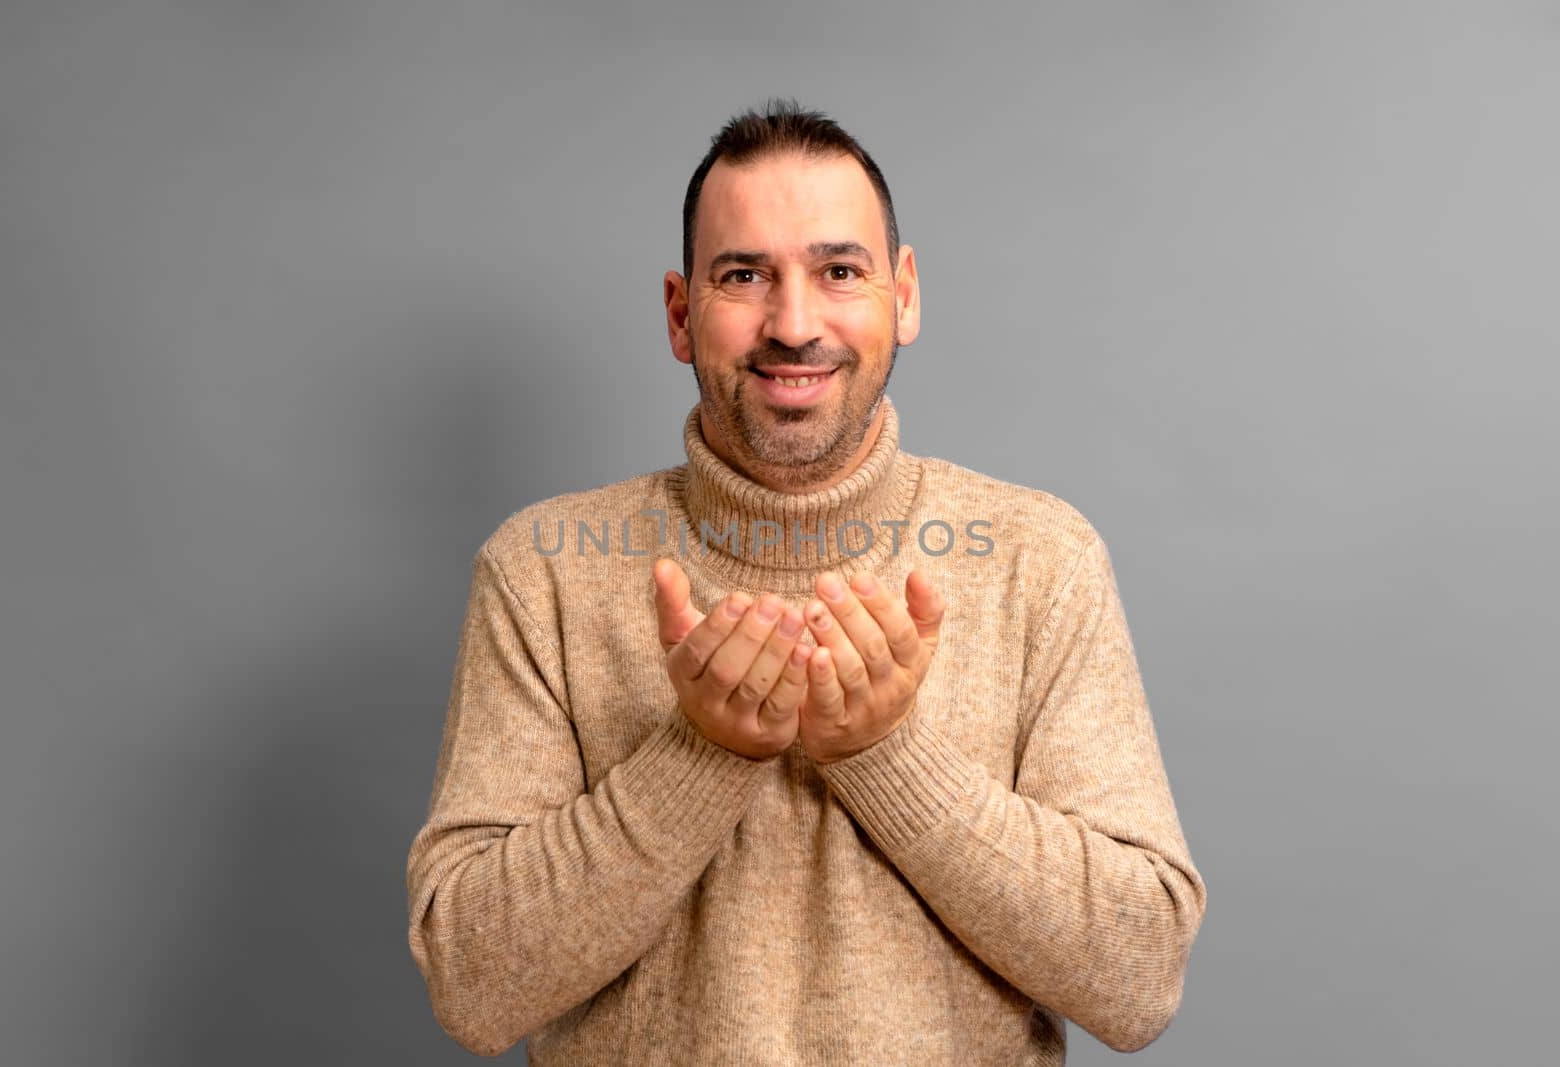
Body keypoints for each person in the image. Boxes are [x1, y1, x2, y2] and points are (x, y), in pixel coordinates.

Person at [405, 99, 1206, 1064]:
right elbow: (473, 985)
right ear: (679, 311)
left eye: (838, 271)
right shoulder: (543, 569)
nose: (793, 325)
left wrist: (889, 754)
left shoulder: (1040, 557)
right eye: (744, 275)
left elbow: (1140, 977)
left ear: (902, 296)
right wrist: (697, 756)